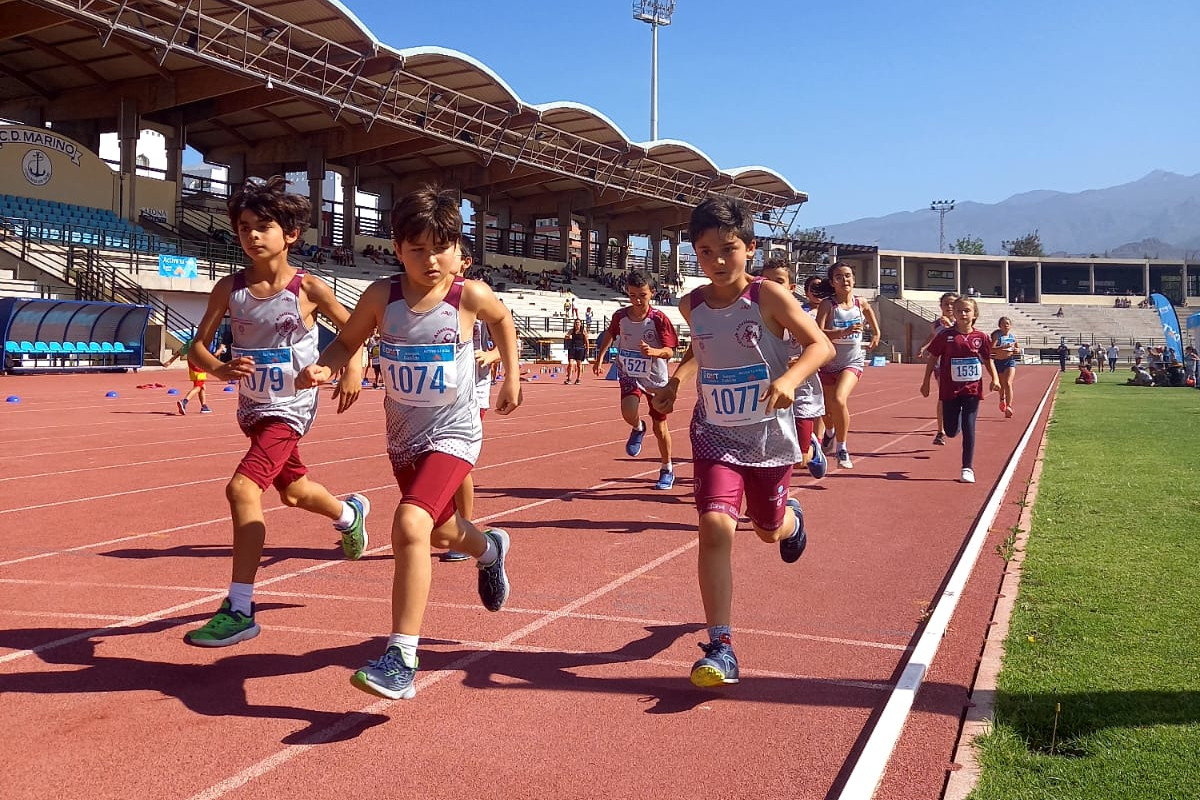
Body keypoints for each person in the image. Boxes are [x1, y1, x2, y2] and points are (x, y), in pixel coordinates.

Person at [296, 187, 521, 700]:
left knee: (409, 522)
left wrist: (512, 374)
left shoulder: (470, 296)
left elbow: (504, 320)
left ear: (457, 249)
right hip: (404, 439)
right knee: (440, 533)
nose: (430, 260)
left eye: (440, 247)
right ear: (397, 250)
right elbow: (347, 341)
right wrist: (325, 366)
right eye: (417, 249)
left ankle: (401, 656)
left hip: (456, 432)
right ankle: (489, 549)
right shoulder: (382, 297)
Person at [650, 196, 833, 687]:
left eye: (727, 249)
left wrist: (791, 379)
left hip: (768, 438)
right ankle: (721, 646)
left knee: (768, 529)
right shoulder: (691, 305)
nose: (717, 261)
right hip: (715, 433)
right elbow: (700, 351)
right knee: (715, 528)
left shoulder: (768, 296)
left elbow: (821, 345)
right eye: (705, 251)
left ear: (749, 249)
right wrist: (676, 383)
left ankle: (791, 519)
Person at [182, 175, 369, 647]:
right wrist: (221, 369)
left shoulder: (309, 289)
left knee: (242, 488)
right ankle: (349, 515)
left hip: (291, 407)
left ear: (290, 234)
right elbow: (196, 347)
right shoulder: (230, 289)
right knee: (294, 492)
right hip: (253, 407)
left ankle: (240, 606)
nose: (251, 235)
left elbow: (354, 334)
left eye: (263, 225)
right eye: (244, 226)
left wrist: (350, 370)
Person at [592, 270, 680, 491]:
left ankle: (667, 468)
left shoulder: (659, 319)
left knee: (660, 428)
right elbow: (611, 334)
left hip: (655, 378)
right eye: (632, 295)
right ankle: (638, 427)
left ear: (652, 293)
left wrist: (654, 352)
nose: (637, 300)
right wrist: (600, 357)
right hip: (629, 372)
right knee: (627, 411)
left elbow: (671, 351)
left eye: (642, 295)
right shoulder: (620, 316)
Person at [443, 235, 500, 563]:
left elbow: (507, 335)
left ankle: (463, 528)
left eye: (446, 252)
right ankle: (448, 524)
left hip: (472, 390)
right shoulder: (430, 296)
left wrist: (491, 356)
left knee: (458, 460)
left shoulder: (475, 297)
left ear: (464, 262)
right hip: (438, 391)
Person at [920, 296, 1000, 484]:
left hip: (972, 389)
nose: (963, 314)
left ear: (974, 314)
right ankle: (951, 428)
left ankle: (967, 467)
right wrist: (926, 382)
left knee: (969, 425)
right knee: (950, 430)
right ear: (953, 313)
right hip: (950, 389)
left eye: (967, 310)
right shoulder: (946, 336)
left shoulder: (981, 337)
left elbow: (988, 360)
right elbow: (932, 358)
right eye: (959, 310)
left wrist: (995, 378)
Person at [760, 259, 827, 479]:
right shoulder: (757, 318)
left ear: (790, 287)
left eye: (778, 281)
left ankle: (813, 447)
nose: (773, 287)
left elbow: (824, 351)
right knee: (769, 452)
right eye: (767, 281)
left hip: (801, 394)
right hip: (769, 393)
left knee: (800, 460)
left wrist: (798, 363)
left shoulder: (804, 318)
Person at [816, 261, 880, 469]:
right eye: (839, 277)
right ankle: (830, 432)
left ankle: (842, 448)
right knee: (826, 410)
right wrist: (843, 332)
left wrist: (877, 332)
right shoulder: (828, 305)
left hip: (852, 361)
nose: (845, 280)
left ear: (854, 279)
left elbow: (870, 312)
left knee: (839, 399)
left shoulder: (860, 303)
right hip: (828, 362)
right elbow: (818, 332)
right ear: (832, 282)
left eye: (848, 276)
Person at [916, 292, 960, 445]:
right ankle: (940, 432)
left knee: (957, 398)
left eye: (952, 304)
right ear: (940, 306)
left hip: (958, 367)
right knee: (943, 396)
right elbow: (933, 336)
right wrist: (923, 347)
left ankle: (955, 420)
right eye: (946, 304)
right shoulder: (935, 324)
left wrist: (951, 326)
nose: (949, 307)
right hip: (941, 365)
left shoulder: (961, 323)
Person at [164, 335, 225, 415]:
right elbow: (211, 357)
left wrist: (170, 361)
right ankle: (184, 402)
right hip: (200, 367)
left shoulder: (191, 341)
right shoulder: (204, 343)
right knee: (198, 386)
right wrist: (220, 350)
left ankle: (204, 406)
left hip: (192, 367)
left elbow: (180, 352)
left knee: (202, 386)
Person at [990, 316, 1020, 418]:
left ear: (1010, 326)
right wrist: (1002, 347)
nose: (1005, 325)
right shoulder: (997, 337)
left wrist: (1017, 351)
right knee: (1001, 385)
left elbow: (1017, 348)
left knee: (1008, 383)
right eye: (1003, 324)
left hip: (1009, 361)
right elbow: (991, 349)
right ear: (1000, 326)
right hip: (998, 362)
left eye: (1007, 324)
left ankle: (1009, 406)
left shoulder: (1012, 336)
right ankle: (1002, 399)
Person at [563, 318, 588, 384]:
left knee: (579, 365)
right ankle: (569, 378)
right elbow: (566, 336)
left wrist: (587, 350)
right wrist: (568, 337)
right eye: (576, 323)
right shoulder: (572, 330)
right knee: (570, 364)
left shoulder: (583, 331)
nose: (577, 324)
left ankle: (578, 379)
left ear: (580, 324)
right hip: (572, 348)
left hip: (580, 348)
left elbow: (587, 341)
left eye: (578, 322)